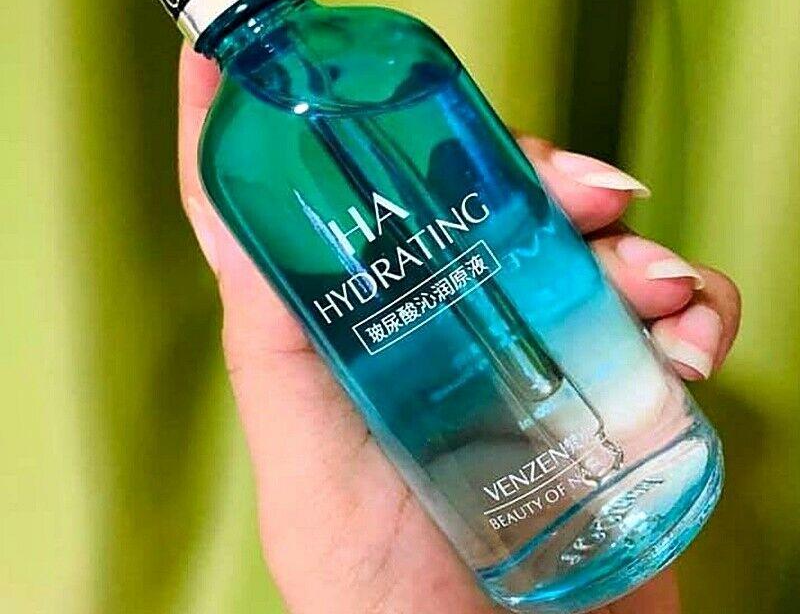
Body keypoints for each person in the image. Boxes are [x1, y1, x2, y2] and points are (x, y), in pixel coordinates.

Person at [178, 44, 741, 614]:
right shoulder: (236, 150)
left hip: (638, 473)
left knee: (503, 216)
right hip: (495, 553)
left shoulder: (383, 50)